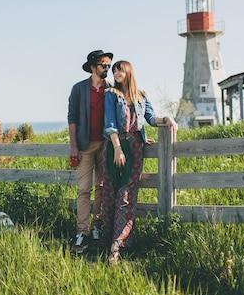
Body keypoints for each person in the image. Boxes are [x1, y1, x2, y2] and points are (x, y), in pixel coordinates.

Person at [101, 60, 178, 265]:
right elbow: (109, 123)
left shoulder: (141, 96)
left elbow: (152, 119)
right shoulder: (111, 94)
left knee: (127, 194)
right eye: (114, 69)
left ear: (128, 71)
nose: (116, 72)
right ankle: (108, 238)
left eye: (119, 69)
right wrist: (117, 148)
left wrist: (167, 119)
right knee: (110, 192)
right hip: (114, 146)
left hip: (135, 148)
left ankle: (117, 245)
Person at [67, 50, 113, 254]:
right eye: (104, 65)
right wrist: (73, 145)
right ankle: (82, 232)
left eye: (109, 65)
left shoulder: (112, 89)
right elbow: (72, 117)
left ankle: (97, 227)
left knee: (101, 187)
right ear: (93, 67)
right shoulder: (78, 89)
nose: (107, 69)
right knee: (84, 189)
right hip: (84, 146)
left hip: (105, 145)